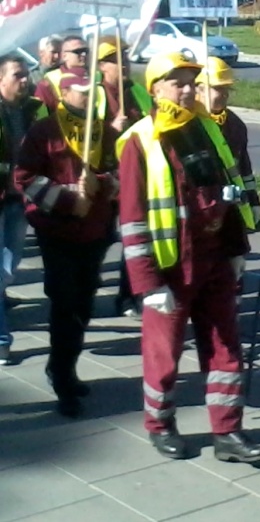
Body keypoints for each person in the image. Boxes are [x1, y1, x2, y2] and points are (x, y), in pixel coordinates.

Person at [117, 52, 260, 463]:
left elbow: (230, 188)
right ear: (155, 89)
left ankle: (228, 432)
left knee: (225, 348)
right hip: (171, 269)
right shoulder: (140, 141)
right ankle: (160, 424)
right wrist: (147, 284)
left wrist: (237, 248)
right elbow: (132, 220)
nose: (187, 90)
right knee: (164, 354)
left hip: (216, 258)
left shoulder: (206, 128)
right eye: (177, 82)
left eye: (190, 82)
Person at [15, 73, 116, 416]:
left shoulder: (103, 129)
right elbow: (24, 177)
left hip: (95, 234)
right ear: (65, 92)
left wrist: (101, 184)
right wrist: (69, 200)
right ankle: (61, 378)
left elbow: (122, 171)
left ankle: (67, 368)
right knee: (65, 304)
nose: (90, 98)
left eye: (94, 92)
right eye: (82, 92)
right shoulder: (45, 131)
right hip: (57, 234)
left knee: (84, 305)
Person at [96, 36, 152, 319]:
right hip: (101, 181)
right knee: (99, 239)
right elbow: (81, 138)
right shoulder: (94, 94)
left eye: (126, 59)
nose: (125, 65)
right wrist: (110, 128)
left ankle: (129, 296)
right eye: (117, 60)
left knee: (134, 238)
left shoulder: (138, 92)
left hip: (133, 178)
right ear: (103, 65)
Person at [0, 53, 49, 366]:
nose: (25, 80)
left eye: (26, 74)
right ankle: (2, 338)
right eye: (17, 75)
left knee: (9, 268)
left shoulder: (32, 110)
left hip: (19, 200)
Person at [196, 57, 260, 226]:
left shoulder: (235, 125)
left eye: (227, 88)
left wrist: (254, 201)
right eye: (219, 88)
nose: (225, 94)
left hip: (230, 207)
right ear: (200, 89)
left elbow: (245, 169)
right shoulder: (189, 125)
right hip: (199, 210)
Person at [34, 35, 87, 114]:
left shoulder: (94, 75)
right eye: (77, 51)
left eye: (86, 51)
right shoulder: (42, 81)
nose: (57, 56)